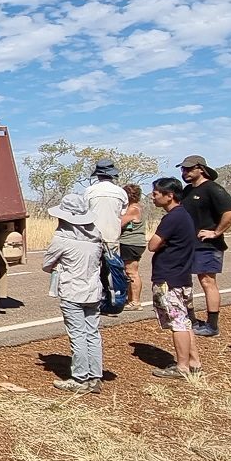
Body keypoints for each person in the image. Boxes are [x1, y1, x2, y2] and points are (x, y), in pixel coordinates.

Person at [43, 194, 106, 393]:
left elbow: (46, 264)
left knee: (77, 335)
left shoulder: (62, 238)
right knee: (92, 334)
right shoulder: (97, 237)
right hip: (93, 292)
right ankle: (95, 377)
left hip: (72, 291)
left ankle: (79, 378)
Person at [178, 155, 231, 337]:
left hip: (208, 246)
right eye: (183, 169)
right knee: (184, 281)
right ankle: (191, 318)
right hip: (189, 245)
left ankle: (212, 325)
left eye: (189, 169)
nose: (185, 172)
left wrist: (216, 232)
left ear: (201, 169)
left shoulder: (213, 189)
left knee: (207, 282)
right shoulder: (187, 191)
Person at [148, 177, 201, 378]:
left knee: (177, 323)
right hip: (181, 276)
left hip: (169, 279)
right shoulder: (184, 216)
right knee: (184, 320)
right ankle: (194, 362)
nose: (153, 197)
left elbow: (153, 245)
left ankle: (182, 367)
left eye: (156, 193)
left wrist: (160, 243)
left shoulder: (173, 217)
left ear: (169, 196)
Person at [85, 160, 130, 313]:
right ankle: (113, 300)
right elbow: (122, 213)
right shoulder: (120, 192)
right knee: (112, 269)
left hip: (92, 236)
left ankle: (95, 300)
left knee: (93, 270)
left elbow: (84, 212)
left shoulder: (90, 191)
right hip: (112, 235)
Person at [118, 184, 149, 309]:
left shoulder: (133, 208)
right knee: (128, 271)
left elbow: (119, 224)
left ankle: (135, 301)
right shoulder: (136, 207)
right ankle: (130, 299)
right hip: (133, 243)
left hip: (131, 243)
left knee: (131, 272)